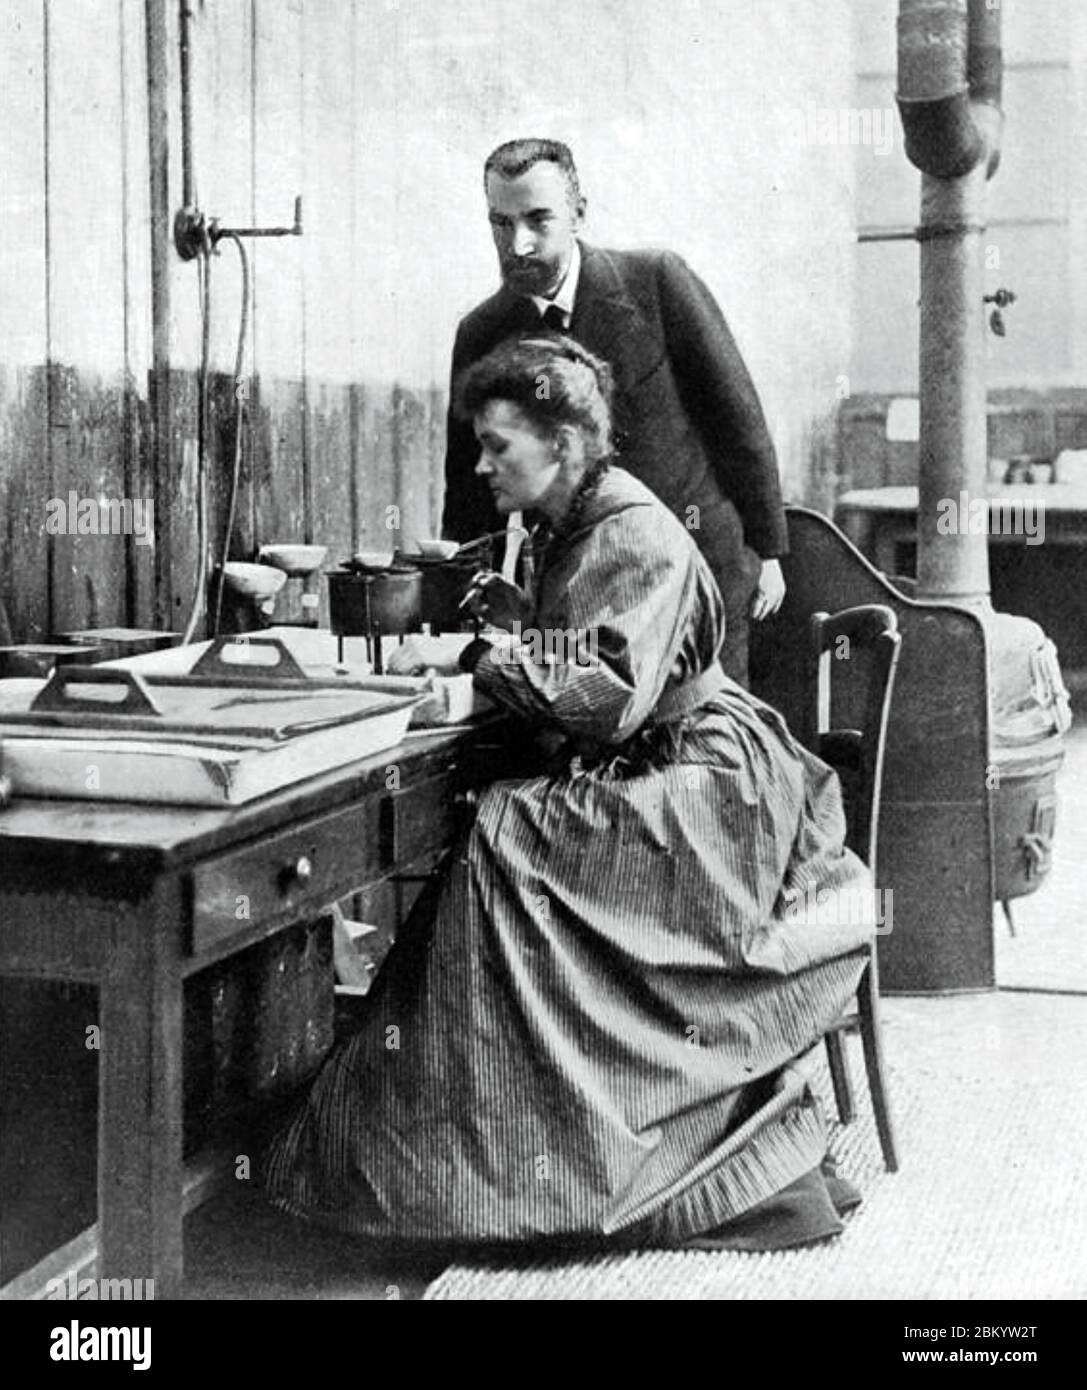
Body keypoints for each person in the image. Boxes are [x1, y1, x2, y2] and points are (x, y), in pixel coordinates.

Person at [263, 335, 875, 1252]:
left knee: (507, 841)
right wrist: (511, 635)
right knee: (506, 825)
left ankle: (512, 1159)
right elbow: (585, 660)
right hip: (671, 764)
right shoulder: (578, 523)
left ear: (564, 441)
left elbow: (603, 699)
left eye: (497, 445)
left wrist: (481, 657)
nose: (480, 464)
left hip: (708, 786)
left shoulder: (629, 531)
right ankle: (468, 1132)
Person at [441, 137, 787, 687]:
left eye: (537, 220)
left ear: (579, 213)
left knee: (693, 733)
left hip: (697, 564)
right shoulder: (481, 333)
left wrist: (768, 552)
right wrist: (458, 604)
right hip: (576, 588)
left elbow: (736, 418)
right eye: (500, 224)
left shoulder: (656, 282)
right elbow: (468, 485)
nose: (519, 245)